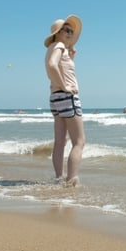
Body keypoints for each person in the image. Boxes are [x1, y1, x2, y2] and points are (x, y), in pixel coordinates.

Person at [44, 15, 85, 187]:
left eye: (71, 31)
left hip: (56, 98)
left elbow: (59, 67)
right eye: (66, 30)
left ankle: (59, 179)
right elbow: (53, 66)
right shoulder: (59, 46)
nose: (69, 33)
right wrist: (66, 87)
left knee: (61, 141)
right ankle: (72, 181)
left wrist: (71, 55)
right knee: (79, 141)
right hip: (66, 97)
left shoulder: (54, 47)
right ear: (57, 33)